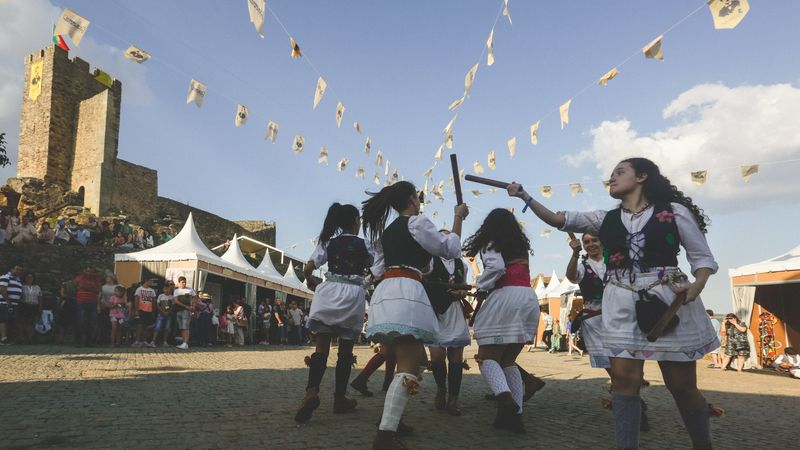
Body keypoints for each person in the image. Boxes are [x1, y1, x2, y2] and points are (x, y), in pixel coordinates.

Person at [507, 157, 719, 449]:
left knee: (681, 387)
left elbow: (702, 257)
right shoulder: (604, 218)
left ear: (642, 176)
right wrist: (524, 196)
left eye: (620, 172)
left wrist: (699, 283)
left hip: (667, 297)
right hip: (619, 299)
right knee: (623, 383)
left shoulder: (674, 211)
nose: (612, 178)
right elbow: (558, 220)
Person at [362, 181, 468, 449]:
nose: (419, 201)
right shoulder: (417, 223)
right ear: (412, 199)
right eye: (417, 197)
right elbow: (450, 249)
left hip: (388, 290)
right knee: (411, 365)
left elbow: (380, 269)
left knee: (415, 361)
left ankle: (392, 419)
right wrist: (458, 217)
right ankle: (386, 433)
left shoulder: (387, 232)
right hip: (407, 293)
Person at [294, 203, 374, 424]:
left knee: (321, 347)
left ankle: (311, 392)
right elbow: (377, 268)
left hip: (327, 292)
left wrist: (312, 282)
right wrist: (366, 283)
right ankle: (339, 399)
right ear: (356, 222)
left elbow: (308, 268)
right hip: (352, 295)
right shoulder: (364, 244)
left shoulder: (328, 242)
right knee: (345, 350)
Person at [565, 233, 650, 432]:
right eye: (586, 242)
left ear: (602, 242)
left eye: (594, 240)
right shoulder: (581, 265)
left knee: (624, 362)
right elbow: (570, 276)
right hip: (594, 320)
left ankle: (631, 401)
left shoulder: (615, 261)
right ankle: (633, 403)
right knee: (612, 368)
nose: (590, 244)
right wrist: (575, 253)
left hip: (619, 316)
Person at [464, 208, 538, 434]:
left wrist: (480, 282)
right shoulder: (520, 244)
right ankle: (515, 418)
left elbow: (496, 268)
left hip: (505, 296)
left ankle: (505, 399)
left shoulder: (491, 241)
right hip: (527, 297)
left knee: (486, 357)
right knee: (508, 361)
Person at [423, 230, 470, 416]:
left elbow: (463, 286)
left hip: (455, 314)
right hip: (435, 312)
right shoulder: (431, 261)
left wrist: (461, 293)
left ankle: (453, 399)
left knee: (456, 358)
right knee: (436, 357)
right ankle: (441, 388)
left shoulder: (462, 265)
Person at [74, 267, 101, 347]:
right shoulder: (80, 277)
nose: (89, 273)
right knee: (82, 321)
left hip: (92, 302)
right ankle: (81, 342)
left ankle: (89, 342)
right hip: (81, 301)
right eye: (87, 271)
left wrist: (85, 287)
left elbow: (98, 290)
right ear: (84, 271)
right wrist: (92, 288)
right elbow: (78, 284)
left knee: (92, 322)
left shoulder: (96, 280)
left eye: (91, 271)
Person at [0, 264, 24, 345]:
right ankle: (3, 338)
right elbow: (2, 290)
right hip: (5, 303)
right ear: (11, 269)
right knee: (3, 320)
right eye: (17, 269)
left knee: (11, 321)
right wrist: (8, 302)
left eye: (20, 270)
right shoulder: (5, 277)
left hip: (15, 304)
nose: (19, 271)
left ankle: (9, 338)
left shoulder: (18, 280)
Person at [172, 276, 196, 350]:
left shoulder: (190, 290)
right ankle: (184, 343)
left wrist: (193, 306)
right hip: (178, 310)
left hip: (186, 311)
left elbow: (195, 298)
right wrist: (186, 306)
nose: (184, 283)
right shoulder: (176, 291)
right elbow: (176, 301)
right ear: (179, 283)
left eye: (185, 282)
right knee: (181, 327)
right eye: (182, 282)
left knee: (185, 327)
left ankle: (185, 343)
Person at [132, 278, 157, 347]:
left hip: (149, 310)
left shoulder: (152, 290)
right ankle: (137, 341)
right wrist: (136, 310)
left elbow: (154, 300)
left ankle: (144, 341)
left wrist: (153, 310)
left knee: (146, 326)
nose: (152, 282)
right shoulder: (139, 289)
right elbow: (136, 299)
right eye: (151, 281)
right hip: (141, 310)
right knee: (139, 326)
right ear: (146, 281)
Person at [19, 272, 42, 344]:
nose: (29, 278)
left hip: (34, 306)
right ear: (25, 278)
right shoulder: (22, 286)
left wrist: (40, 307)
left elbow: (40, 297)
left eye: (31, 277)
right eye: (28, 277)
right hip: (25, 306)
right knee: (23, 322)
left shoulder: (37, 287)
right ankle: (22, 338)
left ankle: (30, 338)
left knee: (31, 322)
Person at [151, 282, 174, 347]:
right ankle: (153, 341)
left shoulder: (172, 297)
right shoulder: (160, 296)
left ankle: (165, 341)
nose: (167, 290)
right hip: (160, 314)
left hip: (169, 315)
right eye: (165, 289)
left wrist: (169, 312)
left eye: (168, 289)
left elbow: (172, 306)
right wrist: (162, 311)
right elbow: (158, 305)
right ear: (163, 289)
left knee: (167, 328)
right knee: (157, 327)